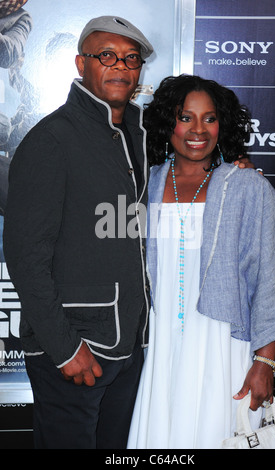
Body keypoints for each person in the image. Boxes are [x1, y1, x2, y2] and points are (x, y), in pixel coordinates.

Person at [3, 16, 154, 449]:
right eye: (107, 56)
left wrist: (232, 160)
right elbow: (25, 257)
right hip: (74, 351)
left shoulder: (141, 134)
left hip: (128, 348)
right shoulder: (51, 140)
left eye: (131, 58)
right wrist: (65, 348)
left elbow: (197, 139)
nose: (121, 67)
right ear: (80, 63)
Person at [127, 74, 275, 449]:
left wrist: (265, 364)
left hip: (224, 349)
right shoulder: (145, 185)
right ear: (166, 123)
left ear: (223, 125)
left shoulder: (248, 187)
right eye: (185, 117)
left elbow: (273, 280)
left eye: (210, 118)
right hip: (160, 350)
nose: (198, 130)